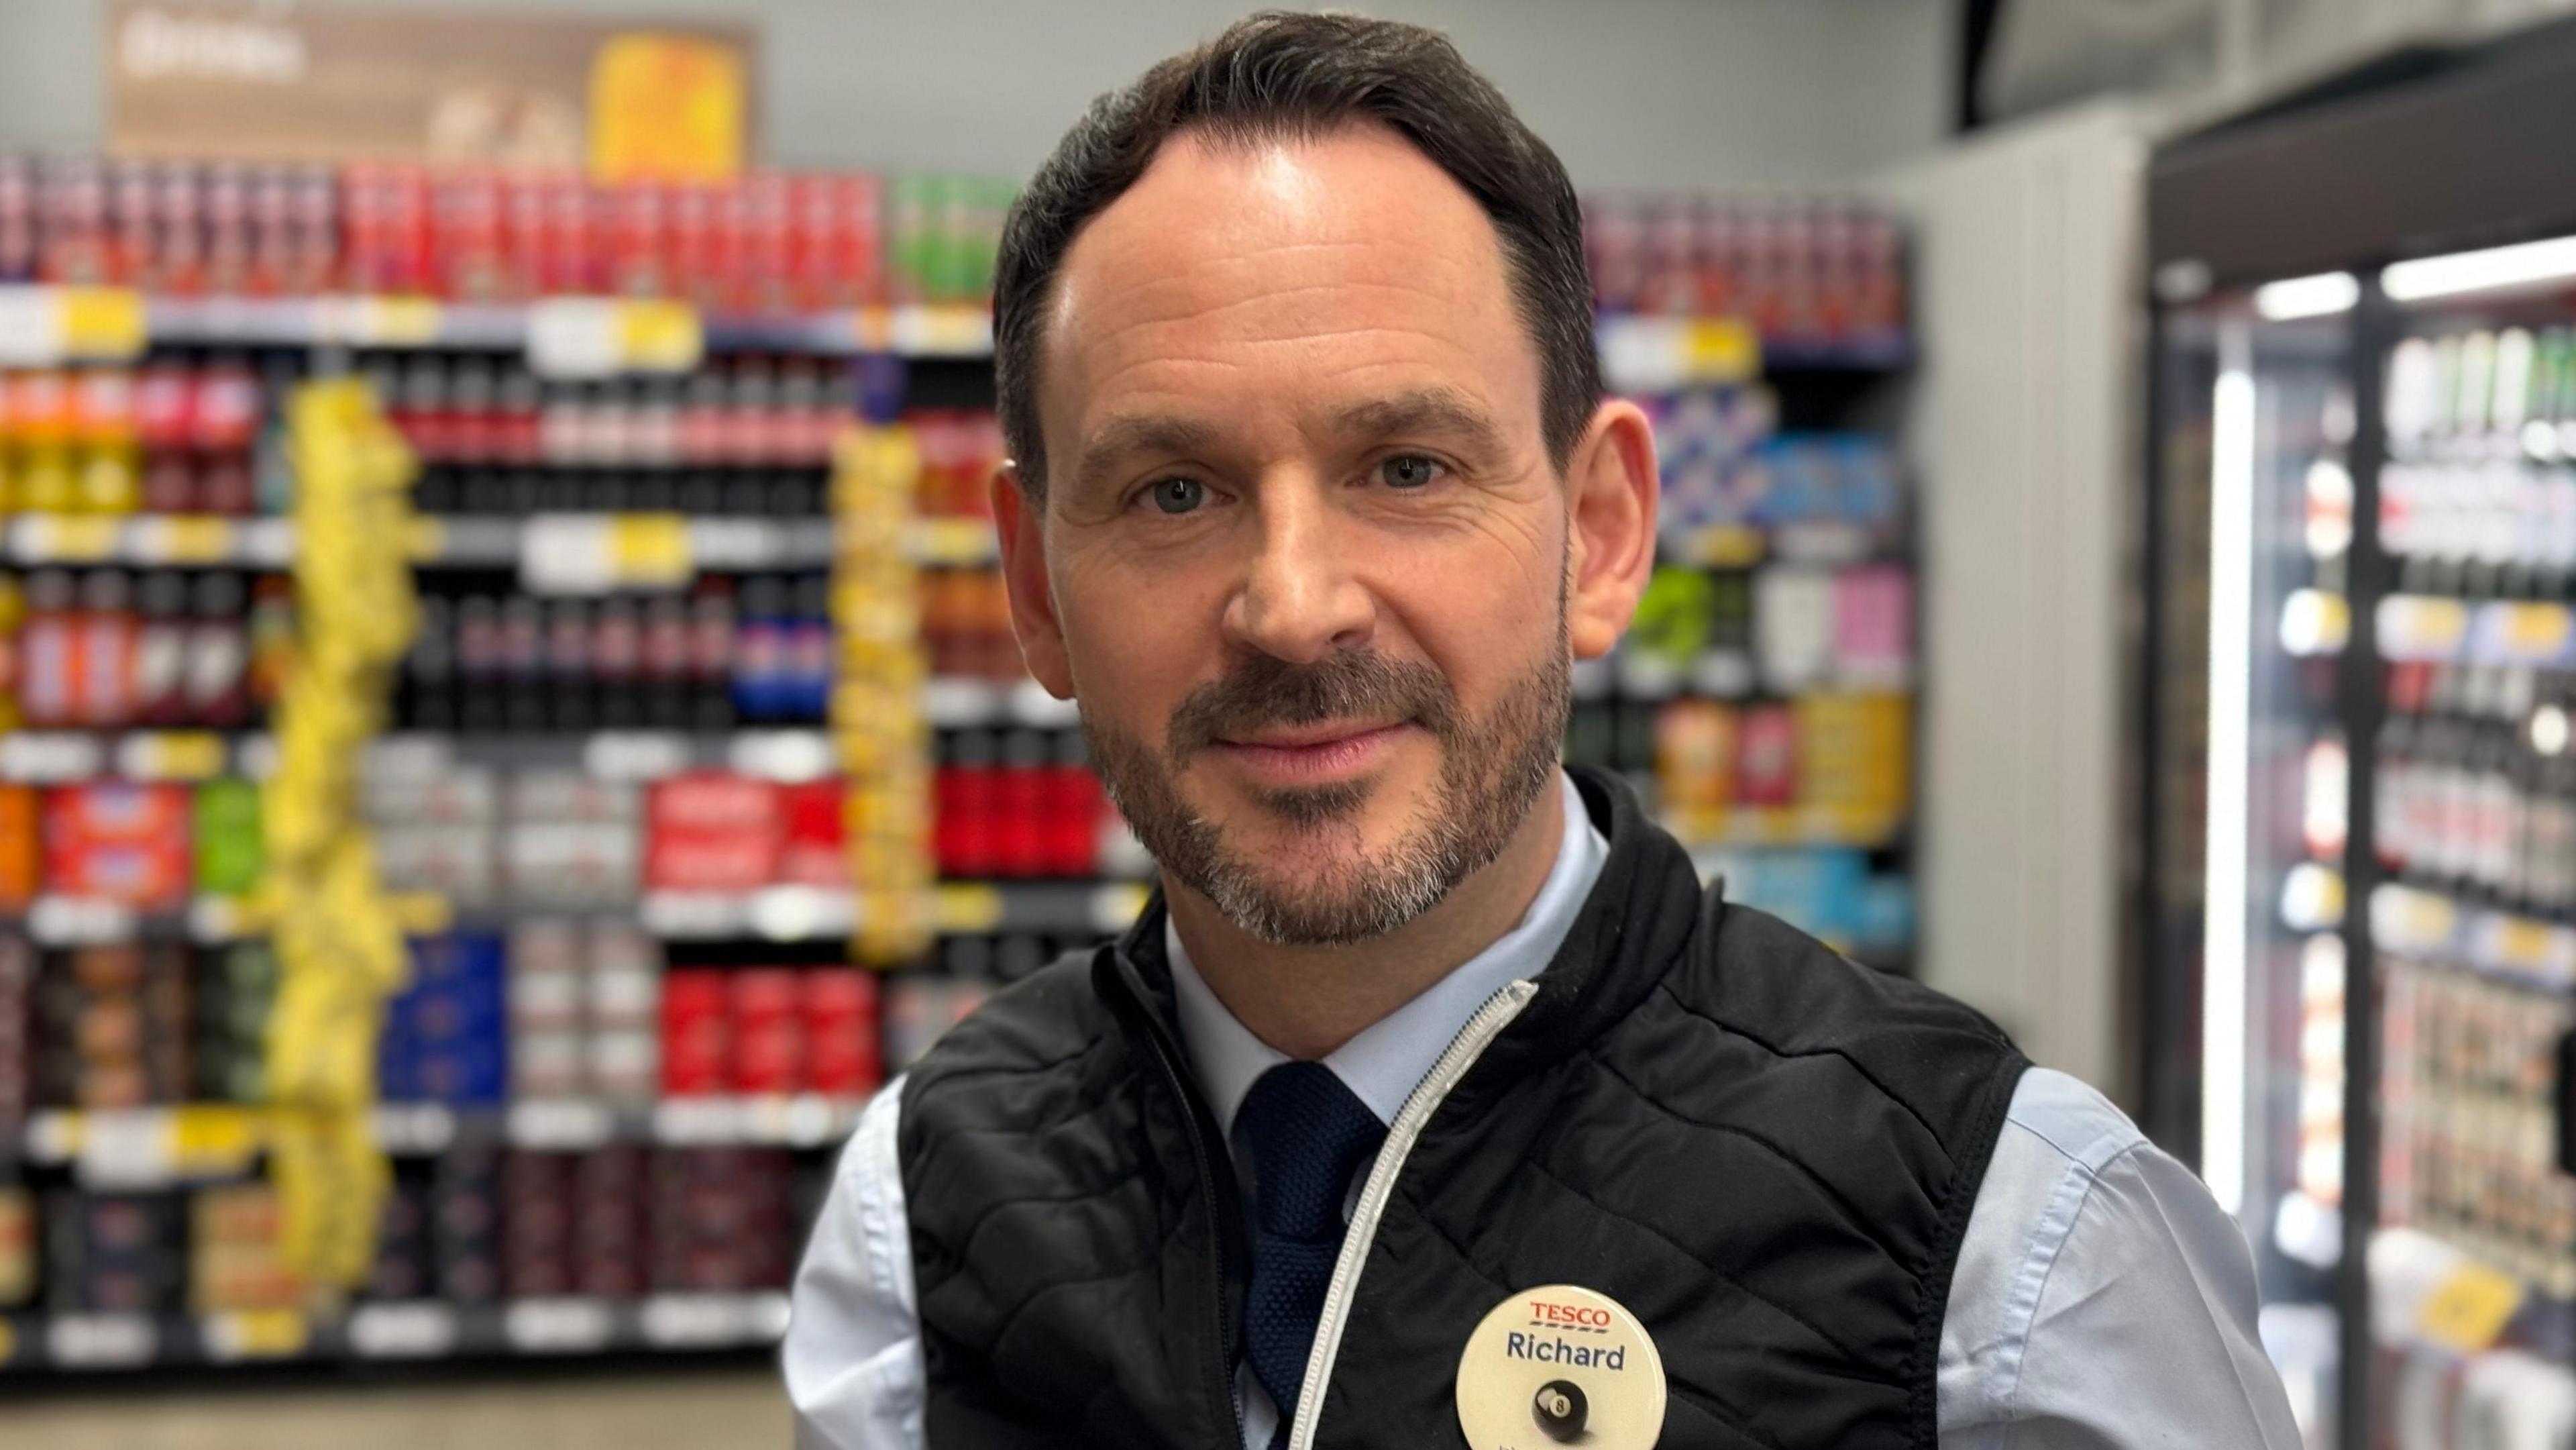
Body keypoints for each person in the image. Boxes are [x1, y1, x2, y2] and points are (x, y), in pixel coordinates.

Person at [786, 12, 2300, 1449]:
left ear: (1604, 530)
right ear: (1035, 586)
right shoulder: (918, 1212)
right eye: (1174, 491)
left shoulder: (2011, 1253)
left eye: (1408, 466)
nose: (1295, 608)